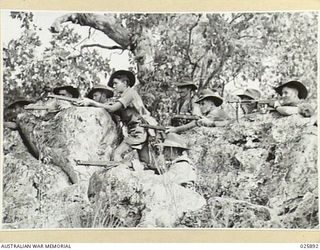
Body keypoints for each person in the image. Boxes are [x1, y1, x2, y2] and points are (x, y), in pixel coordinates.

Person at [77, 70, 157, 164]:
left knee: (116, 154)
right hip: (140, 130)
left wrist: (92, 102)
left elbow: (112, 108)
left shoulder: (130, 93)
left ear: (124, 83)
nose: (114, 86)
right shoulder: (124, 96)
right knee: (146, 161)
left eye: (116, 83)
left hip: (138, 130)